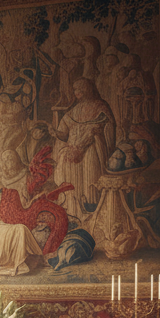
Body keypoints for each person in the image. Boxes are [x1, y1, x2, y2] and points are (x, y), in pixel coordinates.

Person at [52, 77, 116, 218]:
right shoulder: (75, 110)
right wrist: (56, 133)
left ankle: (92, 204)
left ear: (88, 89)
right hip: (73, 148)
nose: (77, 92)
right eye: (75, 89)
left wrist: (85, 143)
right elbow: (64, 133)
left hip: (91, 146)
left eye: (80, 88)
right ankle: (72, 203)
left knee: (90, 161)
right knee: (64, 160)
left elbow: (105, 126)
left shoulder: (100, 106)